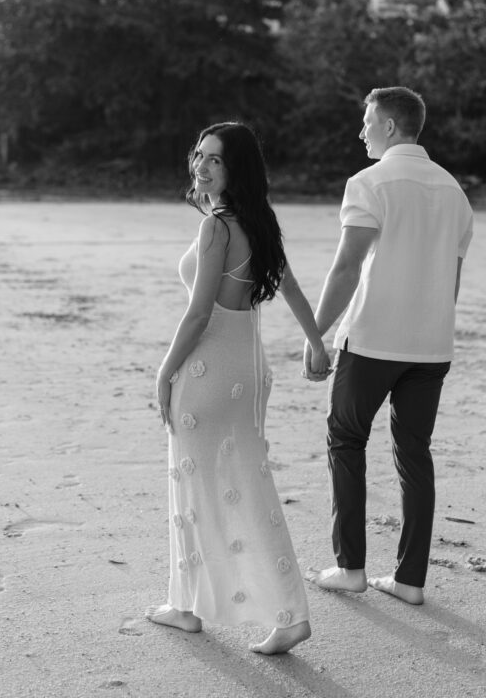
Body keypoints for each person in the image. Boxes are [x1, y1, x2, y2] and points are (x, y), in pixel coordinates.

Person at [147, 121, 331, 654]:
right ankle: (269, 609)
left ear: (236, 169)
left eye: (215, 160)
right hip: (249, 373)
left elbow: (199, 312)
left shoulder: (218, 228)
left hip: (209, 374)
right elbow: (291, 286)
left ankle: (191, 607)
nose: (200, 166)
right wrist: (315, 343)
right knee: (247, 486)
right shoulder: (258, 220)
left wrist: (165, 371)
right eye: (199, 154)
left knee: (196, 484)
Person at [303, 87, 473, 605]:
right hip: (431, 345)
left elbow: (347, 266)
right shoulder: (454, 191)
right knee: (414, 454)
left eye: (367, 122)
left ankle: (350, 568)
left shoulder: (369, 182)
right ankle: (410, 581)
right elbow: (453, 281)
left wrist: (315, 337)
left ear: (392, 127)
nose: (362, 131)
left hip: (374, 340)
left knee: (346, 442)